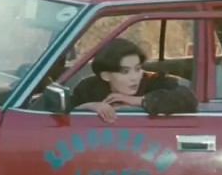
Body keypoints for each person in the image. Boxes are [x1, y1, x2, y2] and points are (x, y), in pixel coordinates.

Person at [68, 38, 198, 122]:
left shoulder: (153, 81)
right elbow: (65, 110)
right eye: (125, 72)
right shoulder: (88, 87)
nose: (135, 77)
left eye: (137, 69)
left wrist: (137, 101)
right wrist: (90, 107)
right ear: (106, 75)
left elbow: (188, 99)